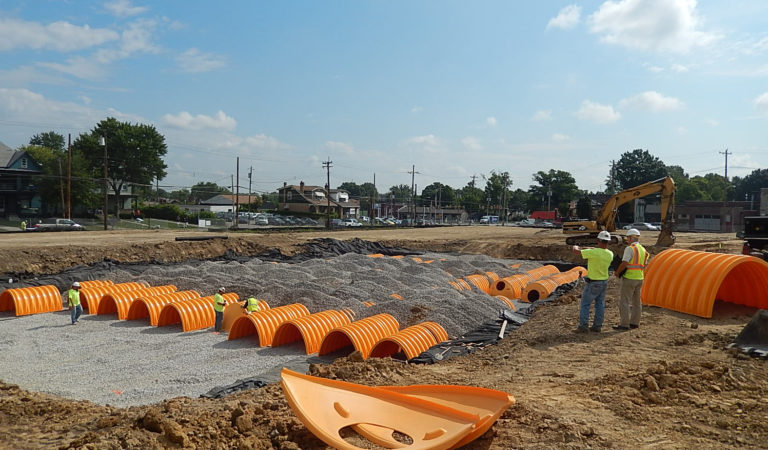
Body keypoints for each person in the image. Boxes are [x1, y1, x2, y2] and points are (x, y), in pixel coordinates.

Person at [572, 230, 614, 333]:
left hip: (593, 282)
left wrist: (575, 246)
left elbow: (576, 251)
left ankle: (583, 326)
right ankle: (597, 326)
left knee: (585, 304)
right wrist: (590, 249)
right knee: (600, 304)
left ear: (598, 240)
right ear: (608, 242)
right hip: (603, 281)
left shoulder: (593, 253)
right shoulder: (610, 254)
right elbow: (595, 250)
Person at [613, 228, 649, 331]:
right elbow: (644, 264)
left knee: (624, 301)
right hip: (640, 278)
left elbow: (625, 262)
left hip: (629, 278)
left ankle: (624, 324)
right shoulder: (643, 249)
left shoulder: (630, 249)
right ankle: (634, 323)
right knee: (637, 302)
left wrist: (617, 272)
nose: (627, 240)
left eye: (627, 238)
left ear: (631, 237)